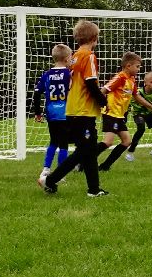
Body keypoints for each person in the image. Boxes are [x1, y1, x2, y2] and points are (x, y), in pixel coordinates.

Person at [41, 20, 108, 197]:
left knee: (88, 151)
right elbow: (91, 83)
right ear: (94, 38)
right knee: (84, 152)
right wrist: (103, 101)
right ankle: (50, 180)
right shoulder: (89, 56)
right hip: (82, 111)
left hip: (72, 110)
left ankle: (94, 190)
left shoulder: (75, 56)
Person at [99, 53, 152, 172]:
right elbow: (103, 90)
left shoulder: (131, 79)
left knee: (127, 142)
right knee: (108, 142)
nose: (138, 69)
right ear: (128, 65)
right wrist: (100, 105)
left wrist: (151, 106)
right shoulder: (120, 78)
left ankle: (104, 166)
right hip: (111, 113)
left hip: (119, 115)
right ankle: (83, 161)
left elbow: (136, 96)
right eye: (137, 66)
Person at [32, 43, 71, 185]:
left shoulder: (47, 74)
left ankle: (46, 169)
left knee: (53, 141)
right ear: (67, 58)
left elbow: (36, 94)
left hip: (51, 113)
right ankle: (61, 173)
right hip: (65, 113)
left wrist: (37, 112)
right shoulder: (68, 74)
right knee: (64, 144)